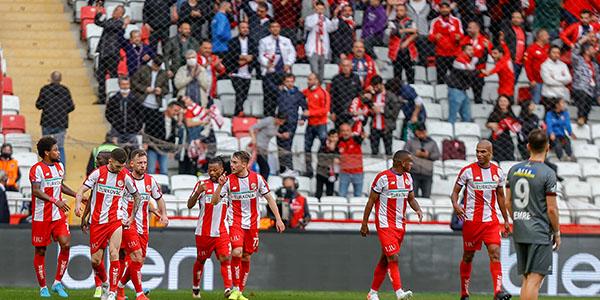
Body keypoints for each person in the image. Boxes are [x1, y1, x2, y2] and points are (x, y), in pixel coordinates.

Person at [211, 151, 285, 300]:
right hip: (235, 222)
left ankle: (239, 292)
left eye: (234, 163)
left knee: (246, 257)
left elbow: (270, 198)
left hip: (252, 225)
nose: (231, 165)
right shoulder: (227, 180)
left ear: (244, 164)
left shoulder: (257, 179)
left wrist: (278, 219)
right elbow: (214, 201)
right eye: (231, 162)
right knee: (237, 252)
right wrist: (219, 186)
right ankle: (235, 288)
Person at [75, 148, 142, 300]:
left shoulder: (124, 176)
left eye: (123, 166)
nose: (121, 169)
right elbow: (81, 191)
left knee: (114, 253)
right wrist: (78, 204)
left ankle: (112, 292)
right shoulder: (98, 173)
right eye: (118, 166)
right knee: (95, 260)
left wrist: (131, 218)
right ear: (111, 161)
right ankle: (105, 283)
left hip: (115, 220)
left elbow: (137, 196)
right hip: (97, 222)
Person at [450, 140, 512, 300]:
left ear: (490, 153)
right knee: (468, 256)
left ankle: (498, 292)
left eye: (483, 152)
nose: (479, 154)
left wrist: (506, 220)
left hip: (490, 221)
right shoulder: (467, 171)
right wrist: (456, 205)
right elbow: (455, 192)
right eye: (477, 151)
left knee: (495, 253)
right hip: (471, 222)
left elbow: (500, 197)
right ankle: (464, 294)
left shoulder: (498, 172)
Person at [505, 129, 561, 300]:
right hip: (539, 231)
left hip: (520, 229)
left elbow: (508, 202)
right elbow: (551, 209)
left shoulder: (514, 169)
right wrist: (557, 232)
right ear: (548, 147)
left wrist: (520, 218)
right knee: (535, 280)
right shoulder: (548, 173)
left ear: (528, 146)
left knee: (527, 278)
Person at [360, 150, 423, 300]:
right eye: (410, 161)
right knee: (393, 257)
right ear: (401, 163)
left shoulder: (408, 178)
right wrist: (364, 223)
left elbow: (411, 198)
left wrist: (418, 209)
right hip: (384, 223)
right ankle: (399, 292)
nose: (412, 164)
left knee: (385, 259)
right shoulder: (382, 178)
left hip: (400, 225)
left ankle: (372, 293)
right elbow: (371, 201)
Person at [29, 137, 78, 298]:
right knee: (41, 250)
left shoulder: (59, 167)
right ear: (46, 152)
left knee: (66, 244)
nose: (58, 152)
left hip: (57, 215)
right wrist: (54, 200)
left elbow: (60, 186)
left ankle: (57, 283)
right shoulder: (36, 169)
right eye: (55, 150)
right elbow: (36, 191)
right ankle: (43, 287)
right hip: (41, 216)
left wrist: (76, 195)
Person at [117, 149, 168, 300]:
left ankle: (119, 288)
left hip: (143, 226)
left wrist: (163, 213)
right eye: (140, 163)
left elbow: (159, 199)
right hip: (127, 222)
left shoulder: (150, 181)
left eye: (145, 163)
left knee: (138, 261)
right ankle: (139, 294)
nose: (143, 165)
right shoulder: (125, 179)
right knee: (137, 257)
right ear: (131, 163)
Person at [187, 157, 232, 298]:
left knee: (225, 257)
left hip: (222, 230)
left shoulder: (229, 185)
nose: (212, 173)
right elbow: (189, 205)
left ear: (222, 170)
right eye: (210, 170)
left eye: (215, 170)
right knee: (201, 260)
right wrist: (197, 192)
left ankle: (228, 289)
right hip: (204, 232)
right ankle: (195, 287)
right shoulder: (202, 184)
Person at [35, 71, 75, 165]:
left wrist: (47, 106)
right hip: (61, 123)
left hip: (47, 121)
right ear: (60, 79)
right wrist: (63, 111)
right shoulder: (65, 90)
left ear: (51, 78)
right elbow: (71, 107)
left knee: (46, 147)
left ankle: (45, 168)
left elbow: (38, 105)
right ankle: (61, 171)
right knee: (59, 147)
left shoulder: (45, 89)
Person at [259, 22, 296, 117]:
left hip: (283, 73)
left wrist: (288, 63)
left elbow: (292, 54)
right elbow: (261, 56)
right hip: (270, 73)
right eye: (273, 27)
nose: (275, 29)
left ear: (280, 28)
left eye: (277, 27)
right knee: (269, 98)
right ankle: (268, 117)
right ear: (270, 29)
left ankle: (281, 118)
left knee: (282, 98)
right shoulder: (264, 41)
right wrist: (267, 64)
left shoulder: (286, 40)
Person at [94, 5, 129, 104]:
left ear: (121, 14)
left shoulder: (120, 23)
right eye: (115, 9)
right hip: (104, 51)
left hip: (112, 53)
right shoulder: (110, 20)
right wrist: (98, 13)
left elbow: (107, 25)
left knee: (113, 76)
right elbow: (98, 22)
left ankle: (113, 98)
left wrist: (102, 16)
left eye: (117, 10)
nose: (114, 11)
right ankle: (102, 98)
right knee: (101, 75)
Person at [225, 22, 258, 116]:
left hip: (247, 72)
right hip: (236, 72)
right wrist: (243, 57)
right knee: (239, 92)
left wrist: (249, 59)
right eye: (243, 27)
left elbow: (255, 55)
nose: (245, 29)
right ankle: (239, 112)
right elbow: (230, 55)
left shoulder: (252, 41)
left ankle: (238, 112)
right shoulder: (232, 41)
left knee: (244, 94)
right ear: (239, 29)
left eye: (247, 27)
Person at [276, 73, 307, 173]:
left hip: (291, 123)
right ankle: (282, 169)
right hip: (280, 122)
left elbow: (305, 108)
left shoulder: (298, 94)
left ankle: (289, 168)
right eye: (287, 81)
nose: (289, 83)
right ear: (284, 82)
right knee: (279, 145)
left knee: (287, 145)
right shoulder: (280, 92)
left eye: (291, 81)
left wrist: (303, 118)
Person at [302, 73, 331, 177]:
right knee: (306, 148)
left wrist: (310, 113)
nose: (308, 81)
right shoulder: (306, 92)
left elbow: (325, 110)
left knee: (324, 146)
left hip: (321, 124)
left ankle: (323, 168)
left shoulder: (323, 93)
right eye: (308, 79)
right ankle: (309, 171)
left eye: (310, 79)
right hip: (310, 124)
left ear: (317, 81)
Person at [428, 0, 463, 84]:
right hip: (441, 54)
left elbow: (462, 35)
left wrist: (459, 37)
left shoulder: (456, 21)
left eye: (446, 7)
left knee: (456, 79)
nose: (444, 9)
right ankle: (441, 95)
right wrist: (435, 37)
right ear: (439, 9)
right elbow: (430, 36)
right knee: (440, 78)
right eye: (442, 8)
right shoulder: (435, 21)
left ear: (449, 9)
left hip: (454, 54)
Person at [144, 101, 183, 174]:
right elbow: (148, 130)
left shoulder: (174, 122)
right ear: (168, 108)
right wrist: (146, 142)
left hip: (164, 149)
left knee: (164, 170)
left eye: (178, 111)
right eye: (175, 110)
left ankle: (164, 186)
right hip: (153, 147)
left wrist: (172, 150)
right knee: (151, 170)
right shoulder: (156, 117)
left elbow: (173, 136)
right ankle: (150, 185)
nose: (176, 113)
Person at [304, 1, 340, 80]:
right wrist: (317, 16)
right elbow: (309, 26)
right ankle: (315, 86)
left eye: (322, 9)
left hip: (323, 50)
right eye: (318, 8)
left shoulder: (325, 20)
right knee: (315, 71)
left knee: (321, 73)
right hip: (313, 49)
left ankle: (319, 88)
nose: (320, 10)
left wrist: (334, 17)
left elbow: (332, 28)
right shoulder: (310, 18)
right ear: (315, 9)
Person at [367, 75, 402, 156]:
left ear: (381, 84)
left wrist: (382, 110)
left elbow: (395, 112)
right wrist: (371, 111)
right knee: (374, 151)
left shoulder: (391, 96)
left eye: (376, 86)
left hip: (387, 127)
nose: (374, 88)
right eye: (373, 86)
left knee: (388, 151)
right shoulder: (372, 96)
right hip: (374, 127)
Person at [403, 123, 440, 198]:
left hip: (427, 173)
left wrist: (428, 155)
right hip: (414, 172)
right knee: (412, 197)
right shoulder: (410, 141)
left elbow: (437, 155)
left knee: (426, 197)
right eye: (419, 132)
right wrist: (415, 154)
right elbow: (404, 154)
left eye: (423, 132)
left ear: (426, 131)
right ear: (416, 132)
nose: (421, 134)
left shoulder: (432, 143)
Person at [105, 77, 144, 148]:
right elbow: (108, 114)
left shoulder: (135, 99)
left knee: (134, 153)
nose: (125, 86)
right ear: (119, 85)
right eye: (123, 84)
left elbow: (141, 115)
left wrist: (137, 127)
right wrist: (115, 122)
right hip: (117, 131)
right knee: (116, 153)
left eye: (127, 84)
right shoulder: (113, 99)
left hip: (132, 132)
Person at [131, 55, 170, 123]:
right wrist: (145, 88)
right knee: (140, 122)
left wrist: (161, 90)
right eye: (155, 66)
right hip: (142, 101)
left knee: (152, 124)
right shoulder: (143, 69)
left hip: (156, 103)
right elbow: (133, 82)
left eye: (158, 67)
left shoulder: (164, 73)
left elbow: (167, 88)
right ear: (152, 63)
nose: (156, 68)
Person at [571, 35, 600, 125]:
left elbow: (598, 81)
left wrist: (599, 95)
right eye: (592, 49)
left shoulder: (595, 65)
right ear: (586, 51)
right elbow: (574, 51)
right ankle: (580, 117)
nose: (594, 50)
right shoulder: (578, 60)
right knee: (584, 95)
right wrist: (583, 40)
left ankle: (584, 120)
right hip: (579, 88)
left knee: (589, 99)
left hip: (591, 91)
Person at [461, 21, 492, 104]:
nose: (468, 30)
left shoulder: (485, 41)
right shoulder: (465, 40)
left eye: (470, 28)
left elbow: (487, 56)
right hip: (466, 72)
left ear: (477, 28)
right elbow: (461, 54)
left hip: (478, 72)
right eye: (468, 28)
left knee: (478, 96)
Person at [250, 112, 287, 180]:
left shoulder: (277, 124)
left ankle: (261, 185)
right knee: (265, 169)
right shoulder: (268, 120)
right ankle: (263, 186)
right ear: (276, 118)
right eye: (280, 121)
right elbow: (252, 128)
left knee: (263, 168)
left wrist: (281, 135)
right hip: (257, 147)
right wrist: (254, 140)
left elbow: (271, 131)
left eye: (283, 122)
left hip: (264, 149)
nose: (281, 123)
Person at [447, 44, 476, 124]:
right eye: (469, 50)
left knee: (467, 115)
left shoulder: (469, 61)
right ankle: (450, 133)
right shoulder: (458, 60)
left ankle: (466, 133)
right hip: (455, 89)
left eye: (472, 50)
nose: (471, 52)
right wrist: (479, 72)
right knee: (453, 116)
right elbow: (467, 73)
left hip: (463, 90)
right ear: (463, 51)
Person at [388, 4, 417, 84]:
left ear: (405, 11)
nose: (399, 12)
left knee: (410, 76)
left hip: (408, 52)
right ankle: (398, 93)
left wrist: (406, 40)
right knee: (397, 76)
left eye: (401, 10)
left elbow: (415, 31)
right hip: (396, 52)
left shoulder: (410, 21)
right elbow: (395, 31)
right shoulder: (392, 22)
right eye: (397, 10)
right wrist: (409, 30)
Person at [481, 37, 515, 103]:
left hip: (505, 92)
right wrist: (500, 41)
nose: (493, 56)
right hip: (508, 90)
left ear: (501, 54)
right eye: (492, 53)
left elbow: (494, 70)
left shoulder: (501, 63)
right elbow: (502, 50)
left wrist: (484, 73)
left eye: (495, 54)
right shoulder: (506, 57)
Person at [330, 58, 362, 126]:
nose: (345, 68)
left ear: (351, 67)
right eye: (343, 66)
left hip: (352, 111)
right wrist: (332, 112)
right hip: (339, 111)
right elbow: (332, 96)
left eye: (347, 65)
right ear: (341, 67)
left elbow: (359, 94)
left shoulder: (356, 78)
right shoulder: (336, 79)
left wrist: (358, 108)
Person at [338, 123, 366, 197]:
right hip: (344, 172)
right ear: (340, 133)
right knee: (341, 195)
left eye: (347, 130)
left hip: (357, 172)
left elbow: (362, 136)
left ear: (351, 132)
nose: (345, 133)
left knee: (358, 196)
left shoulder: (356, 140)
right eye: (343, 131)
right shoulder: (338, 142)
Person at [487, 96, 518, 162]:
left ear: (508, 103)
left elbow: (516, 125)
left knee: (509, 156)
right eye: (501, 101)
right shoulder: (494, 113)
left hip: (507, 138)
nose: (502, 103)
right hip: (495, 138)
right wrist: (491, 125)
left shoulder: (511, 114)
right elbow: (487, 124)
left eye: (505, 101)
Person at [524, 29, 550, 104]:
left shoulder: (548, 48)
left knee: (548, 103)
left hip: (548, 81)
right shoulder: (531, 48)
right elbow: (527, 65)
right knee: (536, 101)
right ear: (540, 36)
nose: (548, 37)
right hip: (537, 81)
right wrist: (531, 79)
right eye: (546, 35)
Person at [500, 11, 526, 82]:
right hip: (510, 61)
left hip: (519, 63)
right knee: (508, 84)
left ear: (521, 20)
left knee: (513, 85)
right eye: (513, 17)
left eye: (518, 18)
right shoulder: (508, 29)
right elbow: (502, 42)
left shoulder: (523, 30)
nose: (515, 19)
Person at [315, 129, 339, 199]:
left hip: (332, 173)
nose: (334, 139)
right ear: (328, 137)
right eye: (332, 137)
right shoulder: (323, 145)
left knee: (330, 193)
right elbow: (320, 158)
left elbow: (339, 159)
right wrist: (330, 152)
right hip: (321, 172)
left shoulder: (338, 146)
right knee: (318, 193)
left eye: (336, 137)